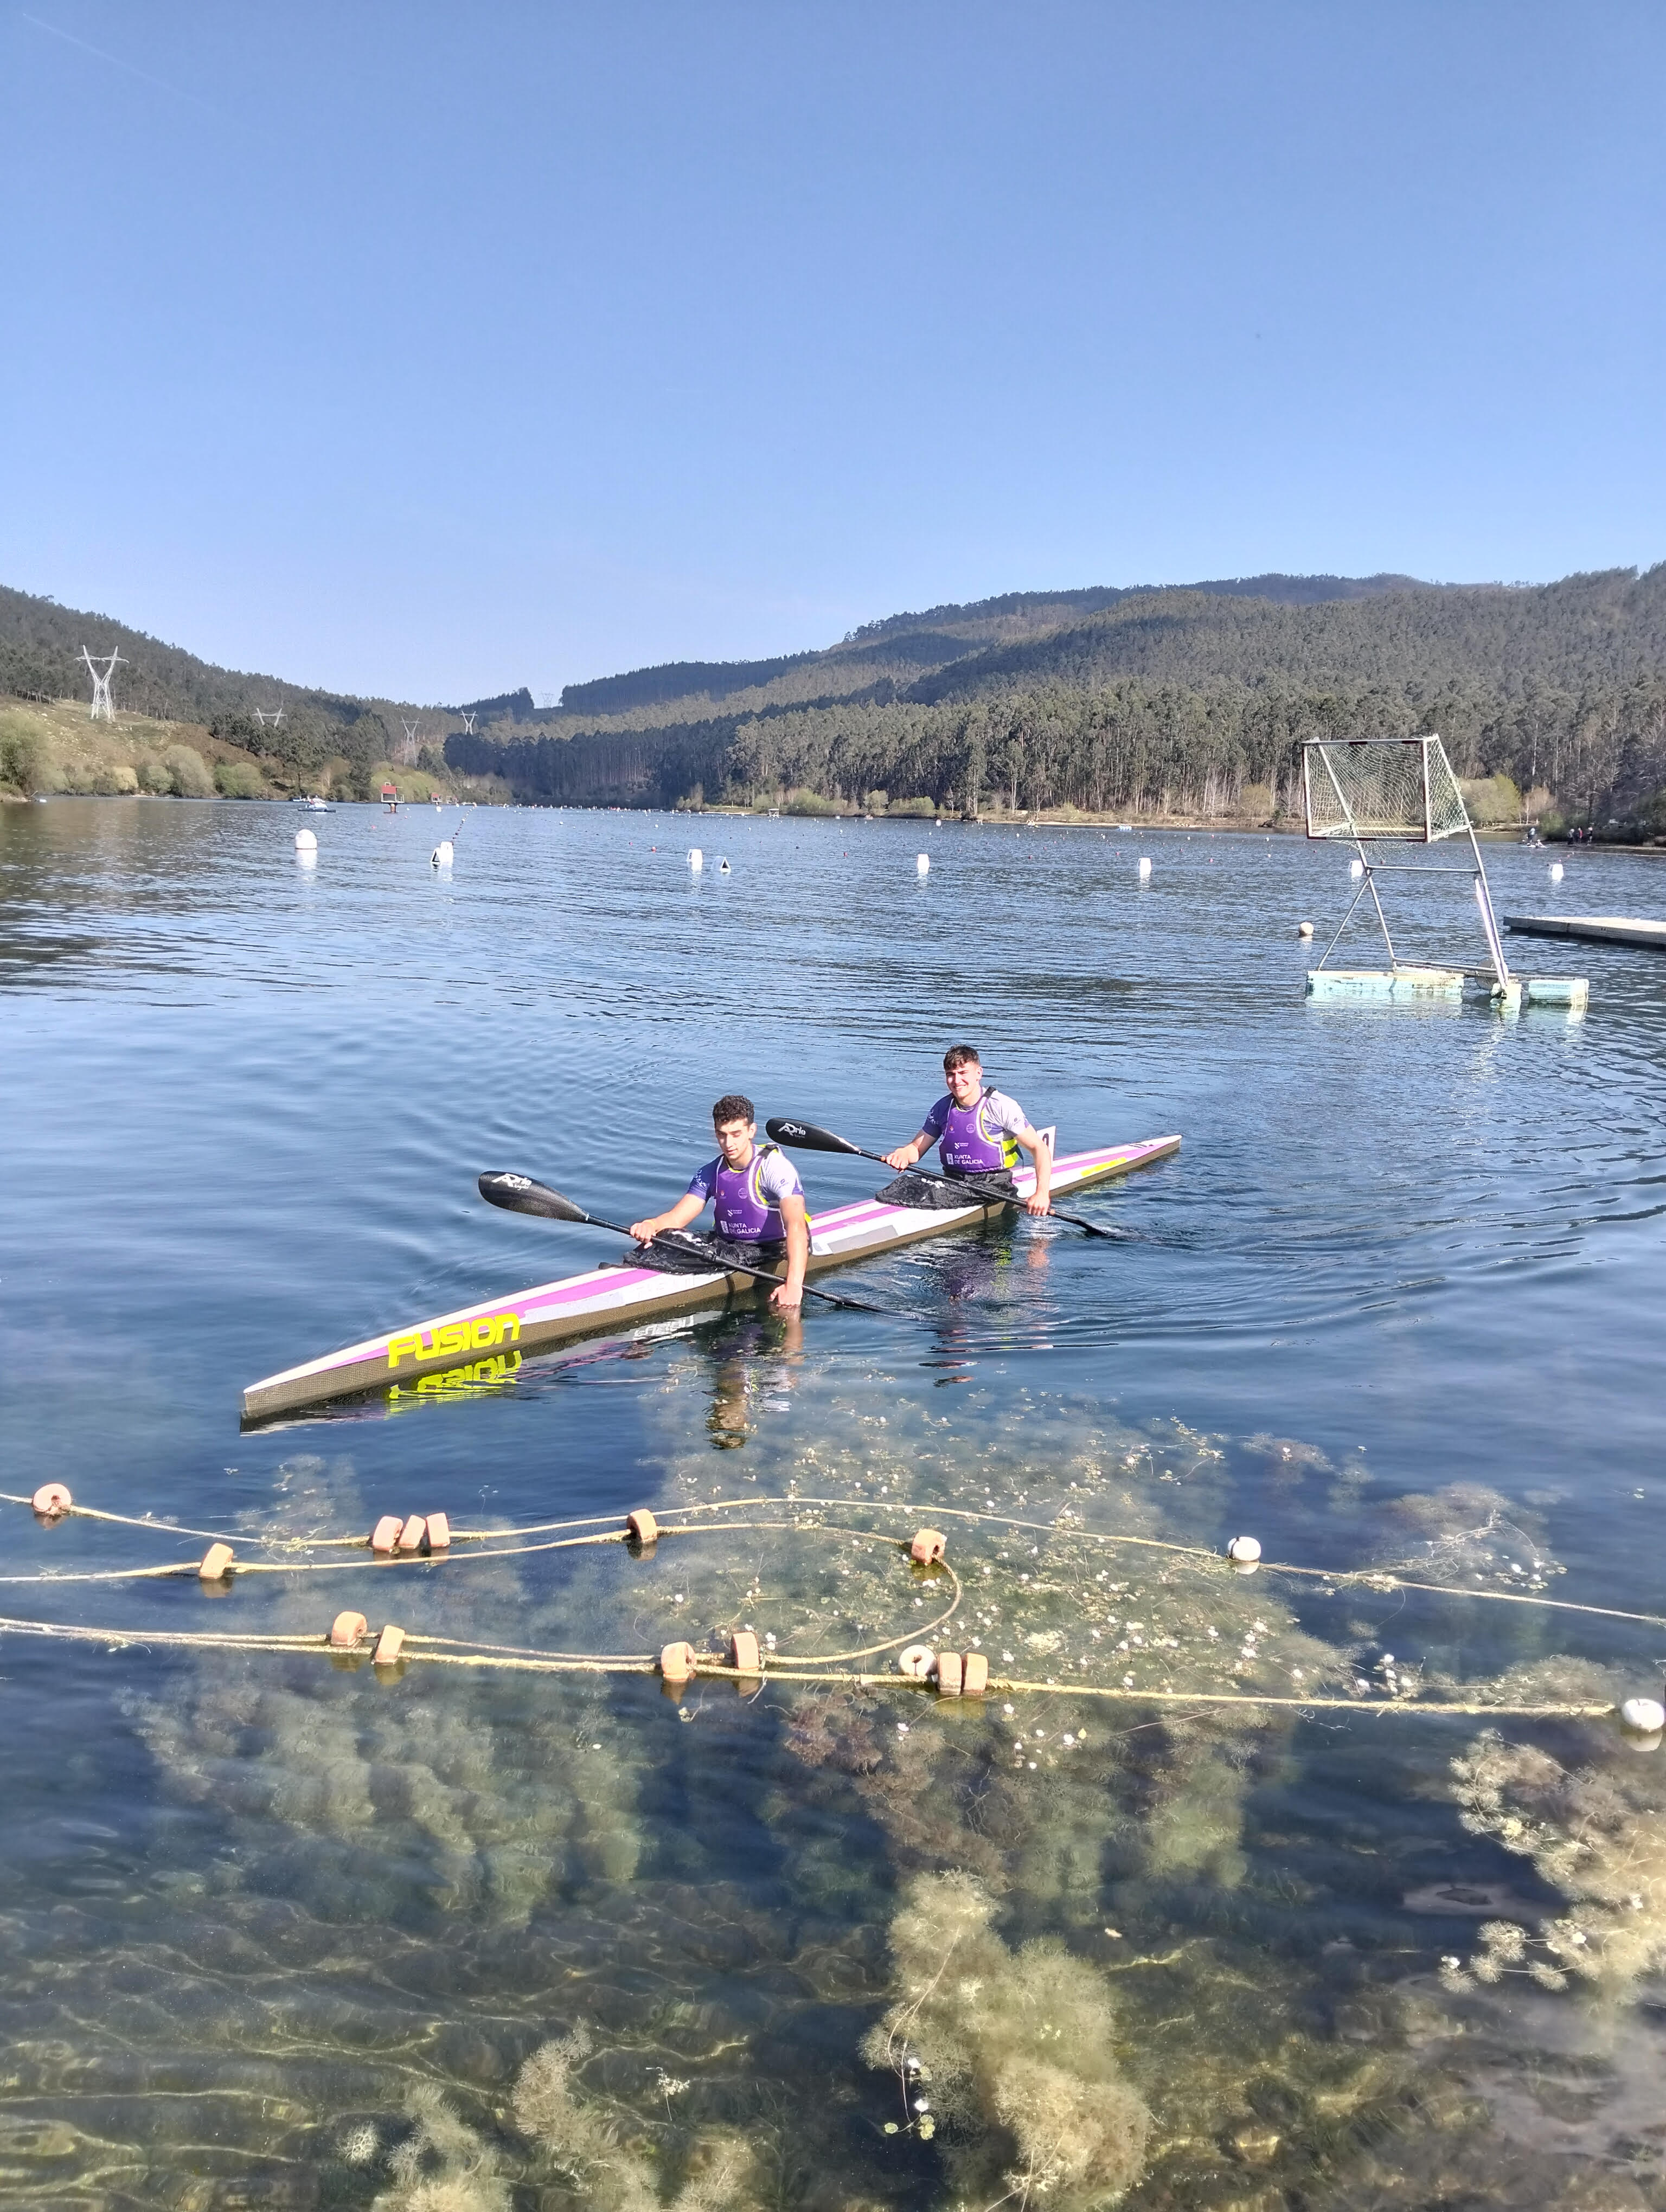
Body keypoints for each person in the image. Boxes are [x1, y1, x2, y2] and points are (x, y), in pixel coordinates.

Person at [629, 1094, 809, 1311]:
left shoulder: (774, 1168)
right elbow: (677, 1218)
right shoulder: (710, 1172)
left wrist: (793, 1285)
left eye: (736, 1134)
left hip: (771, 1246)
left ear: (752, 1131)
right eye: (722, 1135)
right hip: (728, 1244)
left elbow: (796, 1225)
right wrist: (651, 1225)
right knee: (666, 1237)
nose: (728, 1143)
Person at [881, 1045, 1053, 1215]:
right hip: (953, 1181)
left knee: (923, 1192)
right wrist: (903, 1154)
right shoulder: (942, 1108)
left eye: (963, 1073)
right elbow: (916, 1149)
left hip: (993, 1185)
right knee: (904, 1184)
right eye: (951, 1074)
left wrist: (1041, 1193)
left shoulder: (1001, 1106)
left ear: (979, 1073)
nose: (956, 1081)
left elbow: (1039, 1148)